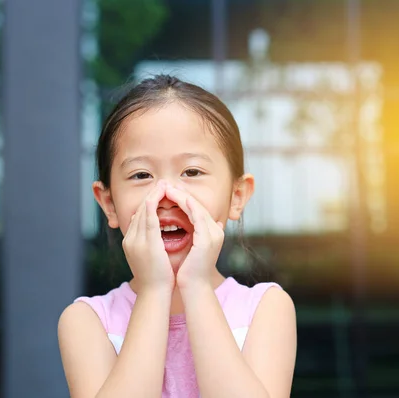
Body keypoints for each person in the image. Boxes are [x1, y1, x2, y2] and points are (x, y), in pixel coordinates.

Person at [57, 75, 297, 398]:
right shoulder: (87, 322)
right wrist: (155, 288)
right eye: (141, 175)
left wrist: (196, 285)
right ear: (109, 204)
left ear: (237, 195)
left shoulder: (266, 310)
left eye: (192, 172)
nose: (166, 194)